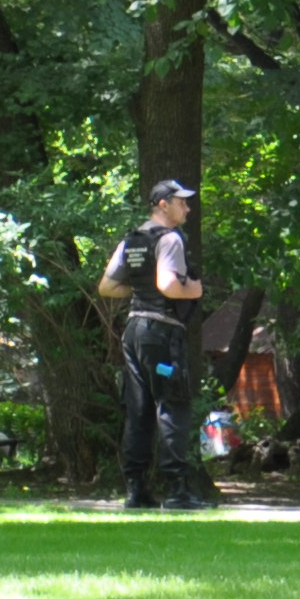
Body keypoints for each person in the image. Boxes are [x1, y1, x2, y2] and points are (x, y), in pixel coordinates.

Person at [99, 180, 210, 509]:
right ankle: (178, 490)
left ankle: (136, 490)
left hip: (134, 332)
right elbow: (168, 285)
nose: (187, 208)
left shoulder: (132, 240)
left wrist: (138, 293)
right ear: (164, 204)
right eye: (182, 203)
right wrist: (195, 290)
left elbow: (106, 286)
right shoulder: (170, 239)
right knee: (172, 403)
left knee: (139, 409)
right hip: (161, 336)